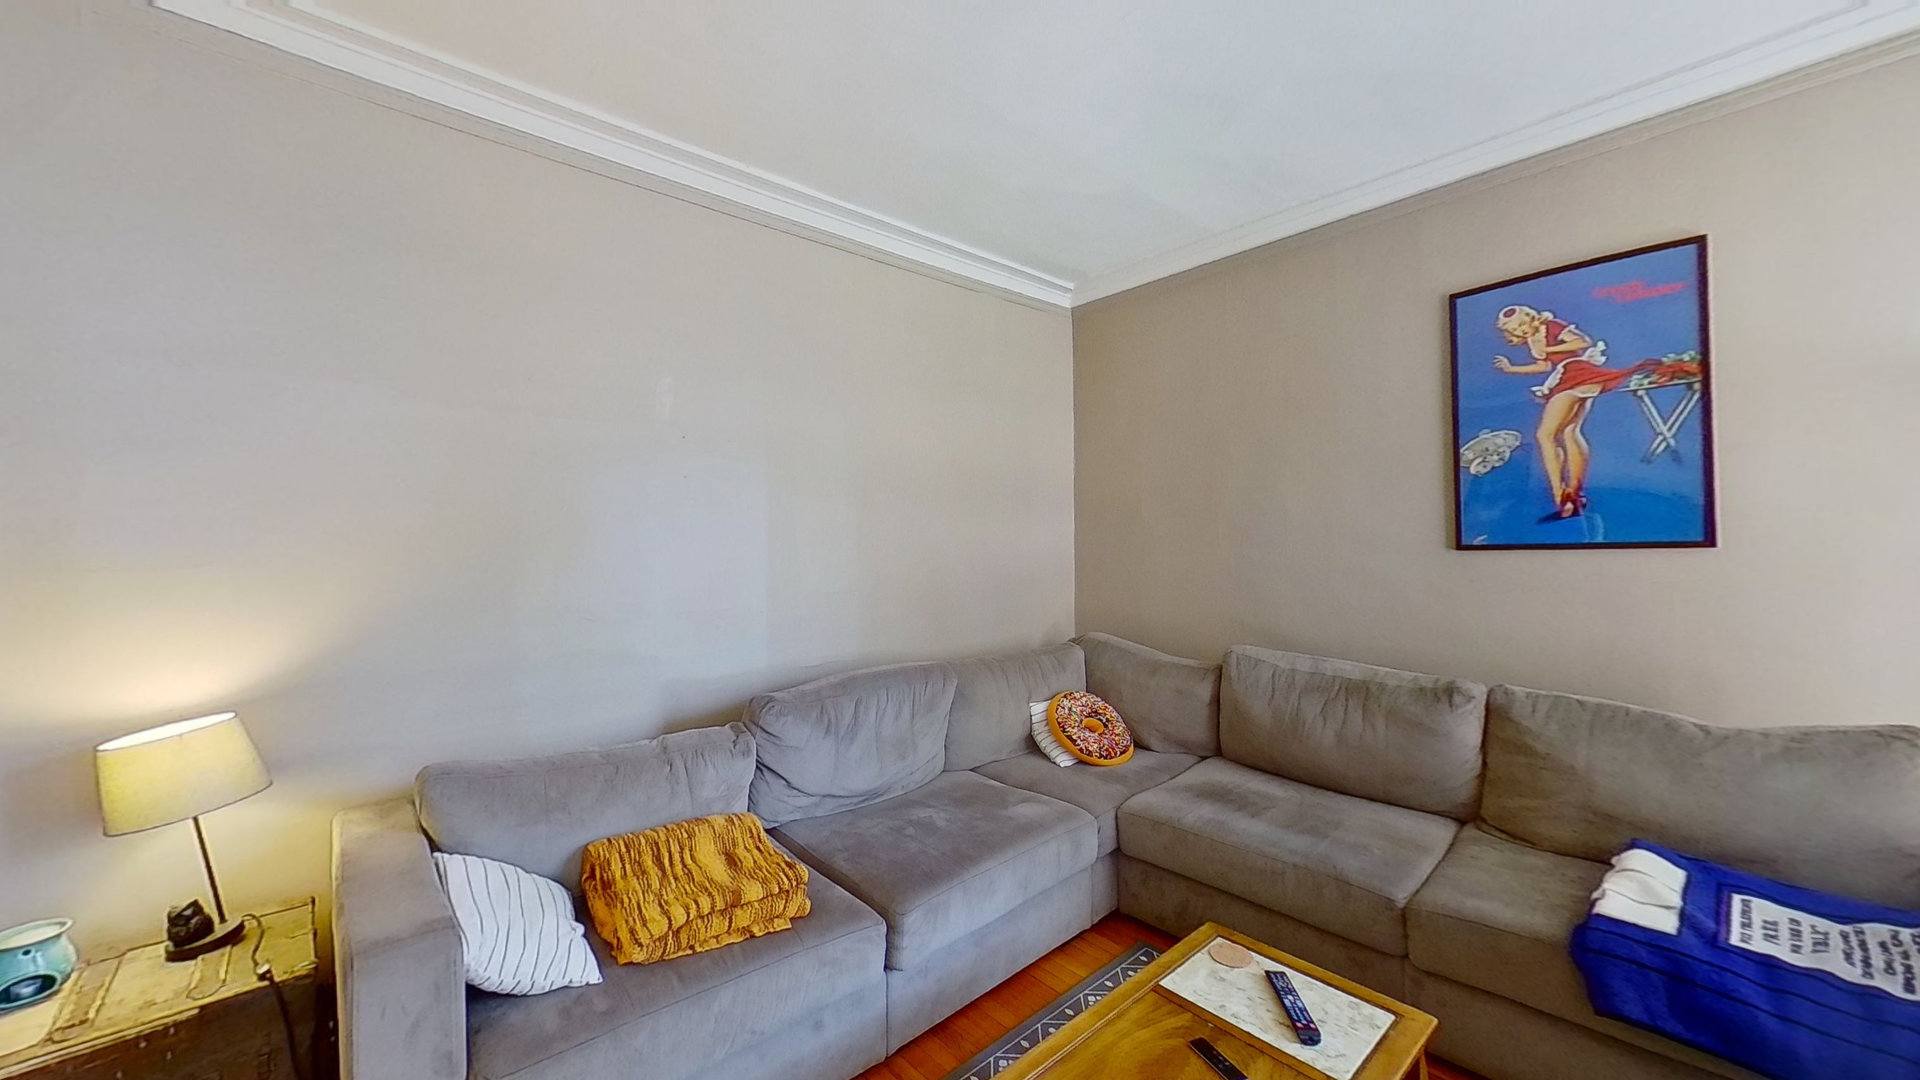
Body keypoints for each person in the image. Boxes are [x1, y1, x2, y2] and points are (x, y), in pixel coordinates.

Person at [1491, 304, 1615, 519]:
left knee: (1545, 435)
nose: (1521, 331)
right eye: (1515, 329)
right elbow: (1544, 366)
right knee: (1569, 431)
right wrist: (1512, 369)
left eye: (1522, 324)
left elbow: (1583, 341)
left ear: (1530, 318)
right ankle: (1573, 494)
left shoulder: (1551, 325)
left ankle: (1560, 494)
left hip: (1575, 374)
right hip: (1572, 378)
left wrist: (1548, 349)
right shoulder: (1533, 338)